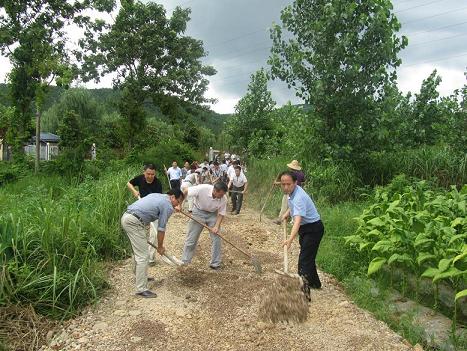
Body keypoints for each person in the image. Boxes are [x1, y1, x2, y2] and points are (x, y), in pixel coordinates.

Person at [121, 189, 184, 298]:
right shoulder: (168, 205)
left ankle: (140, 276)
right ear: (173, 197)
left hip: (128, 217)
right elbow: (161, 228)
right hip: (134, 222)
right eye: (178, 202)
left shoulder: (158, 195)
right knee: (143, 255)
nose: (177, 205)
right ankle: (141, 289)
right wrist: (160, 247)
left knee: (138, 252)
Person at [279, 171, 324, 301]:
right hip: (306, 229)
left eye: (288, 184)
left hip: (313, 229)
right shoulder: (291, 193)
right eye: (283, 184)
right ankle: (315, 283)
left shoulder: (299, 197)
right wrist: (288, 212)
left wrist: (290, 239)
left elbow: (297, 221)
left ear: (295, 183)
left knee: (304, 261)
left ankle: (304, 295)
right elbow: (293, 207)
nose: (286, 187)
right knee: (308, 256)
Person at [181, 182, 228, 270]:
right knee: (191, 239)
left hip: (212, 215)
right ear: (214, 190)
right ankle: (185, 262)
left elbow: (221, 213)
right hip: (198, 212)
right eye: (220, 194)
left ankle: (215, 263)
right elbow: (186, 190)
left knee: (217, 238)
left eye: (223, 194)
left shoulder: (223, 198)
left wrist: (216, 226)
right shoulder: (203, 188)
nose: (222, 196)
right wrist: (179, 204)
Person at [127, 164, 163, 265]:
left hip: (154, 211)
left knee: (155, 234)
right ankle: (139, 256)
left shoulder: (158, 183)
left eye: (152, 174)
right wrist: (135, 191)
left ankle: (151, 257)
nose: (150, 176)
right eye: (148, 174)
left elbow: (158, 200)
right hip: (141, 210)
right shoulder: (140, 178)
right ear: (144, 172)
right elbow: (129, 183)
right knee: (140, 233)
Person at [274, 160, 306, 225]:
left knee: (284, 205)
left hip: (290, 191)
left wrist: (276, 183)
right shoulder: (301, 174)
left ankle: (280, 219)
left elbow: (285, 183)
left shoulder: (291, 174)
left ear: (291, 167)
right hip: (298, 192)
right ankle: (292, 221)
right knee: (294, 206)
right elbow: (303, 182)